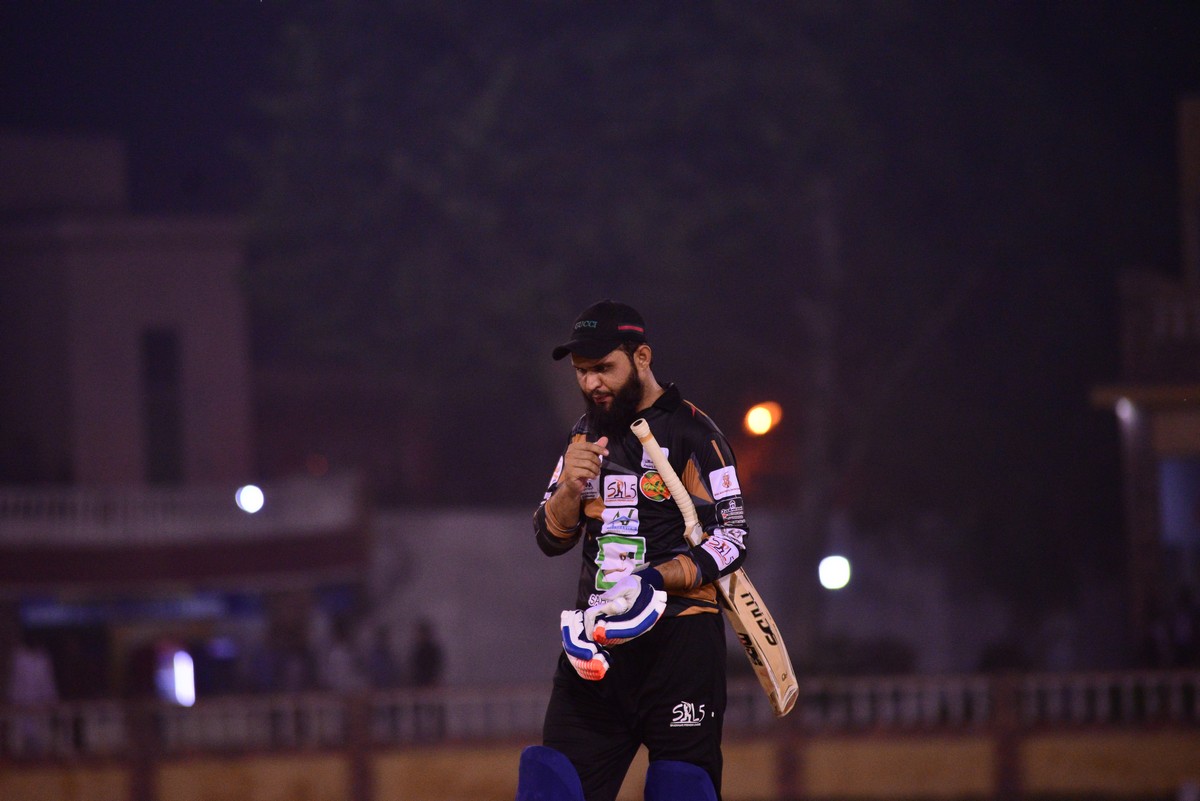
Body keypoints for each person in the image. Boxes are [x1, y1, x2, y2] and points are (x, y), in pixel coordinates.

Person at [521, 300, 750, 801]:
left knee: (680, 791)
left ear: (641, 357)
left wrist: (655, 578)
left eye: (604, 368)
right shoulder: (584, 434)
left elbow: (733, 538)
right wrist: (569, 489)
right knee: (549, 789)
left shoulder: (695, 433)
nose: (591, 384)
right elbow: (549, 538)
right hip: (595, 652)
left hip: (680, 651)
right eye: (581, 372)